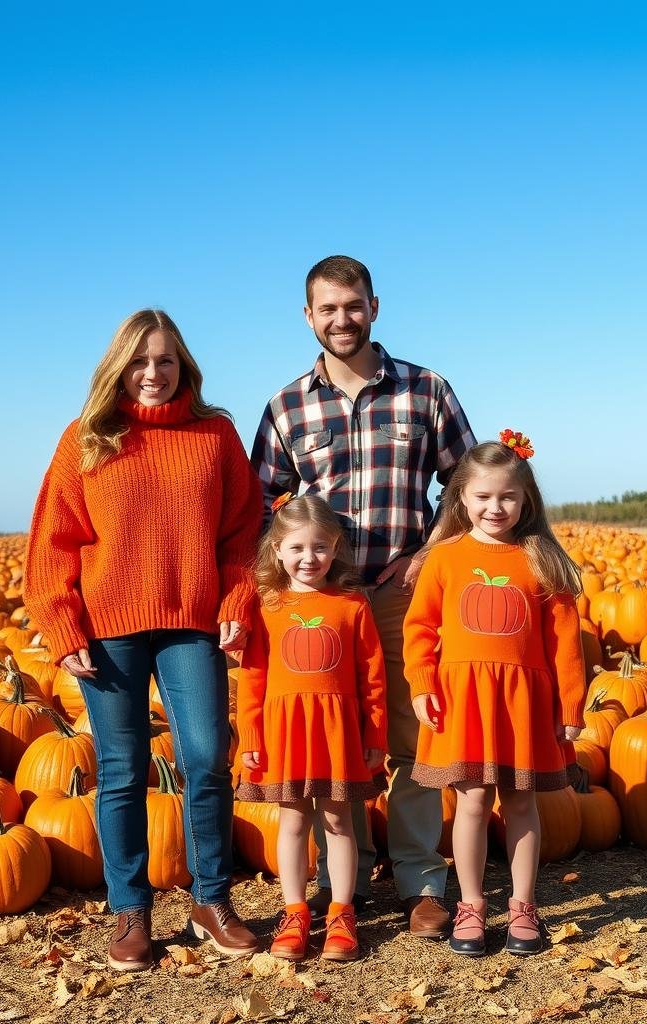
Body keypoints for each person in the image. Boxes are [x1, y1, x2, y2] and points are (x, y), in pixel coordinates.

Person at [23, 309, 264, 972]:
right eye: (139, 361)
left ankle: (211, 901)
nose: (152, 374)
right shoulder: (88, 438)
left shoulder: (215, 436)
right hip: (108, 631)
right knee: (124, 771)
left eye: (164, 361)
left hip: (191, 621)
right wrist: (61, 624)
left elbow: (244, 532)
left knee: (208, 756)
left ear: (183, 366)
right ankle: (131, 911)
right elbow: (52, 542)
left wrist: (239, 597)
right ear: (118, 368)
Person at [251, 255, 476, 937]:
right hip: (319, 608)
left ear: (374, 307)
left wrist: (428, 556)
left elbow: (466, 486)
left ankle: (419, 878)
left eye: (353, 306)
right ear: (308, 316)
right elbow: (262, 505)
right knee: (330, 737)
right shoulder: (286, 407)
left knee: (413, 735)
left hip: (402, 591)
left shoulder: (426, 389)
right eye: (328, 309)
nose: (341, 320)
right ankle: (342, 879)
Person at [404, 431, 586, 956]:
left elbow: (566, 645)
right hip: (464, 699)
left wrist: (570, 706)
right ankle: (471, 904)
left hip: (523, 701)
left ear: (526, 498)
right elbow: (419, 629)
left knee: (523, 803)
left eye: (507, 496)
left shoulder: (541, 559)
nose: (495, 507)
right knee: (472, 802)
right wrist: (422, 683)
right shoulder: (445, 558)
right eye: (483, 497)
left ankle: (524, 906)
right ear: (461, 497)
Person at [236, 493, 388, 962]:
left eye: (320, 548)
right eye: (297, 548)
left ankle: (342, 912)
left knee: (340, 820)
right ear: (277, 550)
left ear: (336, 547)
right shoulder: (267, 607)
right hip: (285, 732)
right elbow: (253, 679)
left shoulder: (351, 606)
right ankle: (296, 910)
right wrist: (251, 737)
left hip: (339, 732)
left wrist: (375, 737)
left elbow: (373, 679)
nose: (309, 558)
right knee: (294, 819)